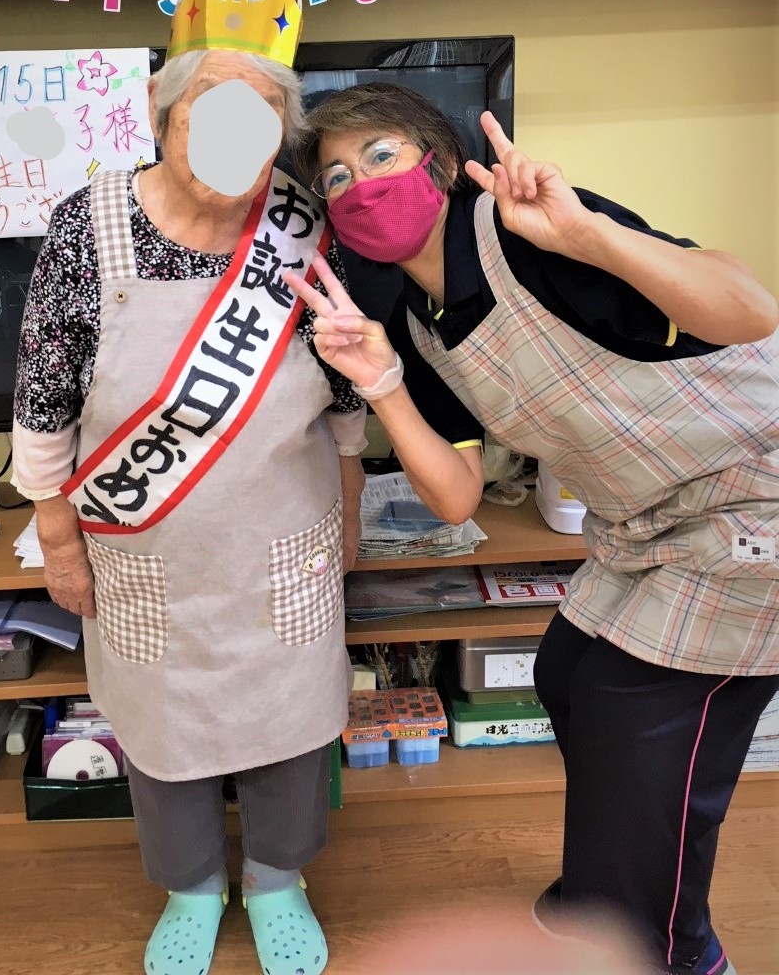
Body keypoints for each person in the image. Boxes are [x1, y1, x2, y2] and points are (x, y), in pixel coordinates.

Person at [285, 82, 779, 975]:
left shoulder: (530, 227)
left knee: (637, 715)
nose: (361, 185)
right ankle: (608, 899)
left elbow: (750, 308)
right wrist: (382, 381)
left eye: (382, 154)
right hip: (645, 524)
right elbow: (456, 498)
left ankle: (675, 951)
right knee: (568, 673)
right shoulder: (413, 326)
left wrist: (590, 237)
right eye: (338, 178)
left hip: (753, 503)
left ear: (440, 162)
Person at [12, 0, 366, 975]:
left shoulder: (303, 225)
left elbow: (346, 385)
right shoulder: (89, 223)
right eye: (206, 117)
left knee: (292, 719)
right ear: (159, 118)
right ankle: (192, 888)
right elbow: (42, 389)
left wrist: (351, 500)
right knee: (161, 730)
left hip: (284, 532)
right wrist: (56, 536)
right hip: (144, 546)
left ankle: (279, 880)